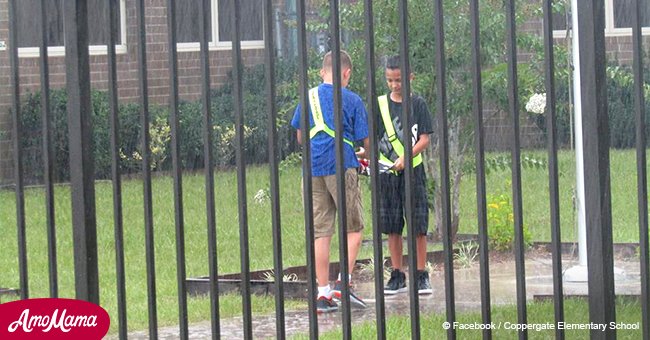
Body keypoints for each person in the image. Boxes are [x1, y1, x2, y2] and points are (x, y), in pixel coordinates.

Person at [290, 50, 370, 313]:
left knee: (321, 231)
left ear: (322, 72)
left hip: (312, 169)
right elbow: (366, 144)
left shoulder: (308, 97)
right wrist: (361, 154)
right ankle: (342, 286)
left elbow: (301, 137)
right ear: (347, 73)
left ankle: (322, 294)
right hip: (342, 165)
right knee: (354, 227)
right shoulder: (352, 99)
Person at [378, 55, 434, 295]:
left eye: (399, 79)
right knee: (392, 225)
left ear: (410, 77)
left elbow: (425, 139)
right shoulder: (380, 105)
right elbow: (373, 139)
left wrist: (406, 157)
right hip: (388, 173)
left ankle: (421, 274)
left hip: (414, 170)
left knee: (418, 224)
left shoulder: (418, 104)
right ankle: (397, 274)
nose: (394, 85)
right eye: (390, 80)